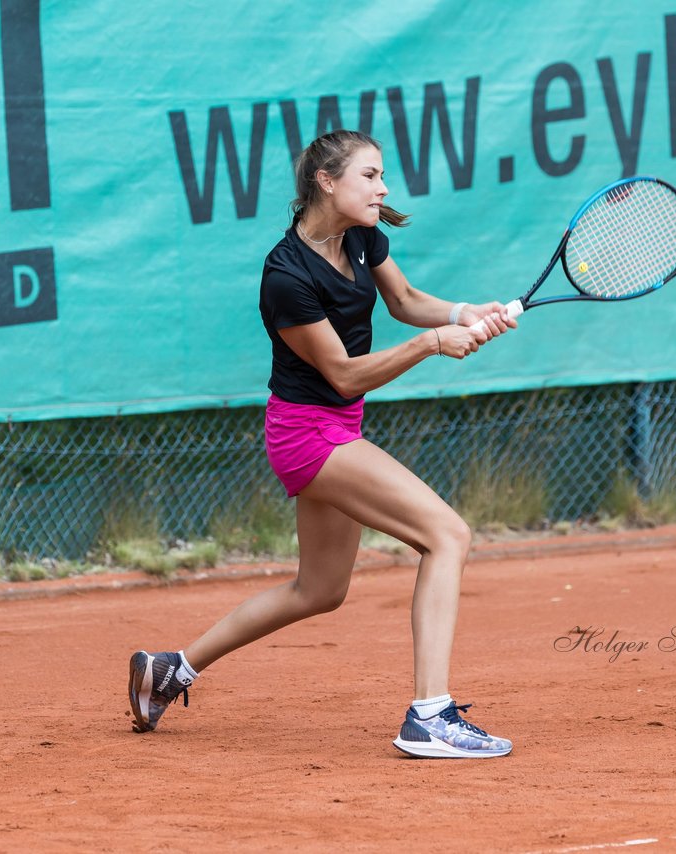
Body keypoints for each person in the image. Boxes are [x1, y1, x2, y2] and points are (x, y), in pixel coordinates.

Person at [128, 129, 516, 758]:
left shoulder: (360, 235)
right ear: (326, 181)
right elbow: (341, 374)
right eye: (370, 176)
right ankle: (430, 715)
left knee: (319, 590)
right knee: (448, 535)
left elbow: (408, 299)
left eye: (382, 175)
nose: (383, 188)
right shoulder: (286, 275)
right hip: (309, 433)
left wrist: (464, 313)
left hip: (338, 427)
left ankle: (171, 669)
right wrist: (429, 347)